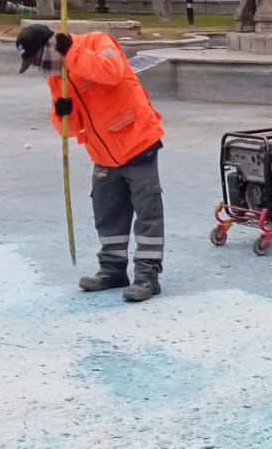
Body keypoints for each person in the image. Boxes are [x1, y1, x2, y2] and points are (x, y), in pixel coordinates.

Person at [15, 23, 166, 302]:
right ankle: (112, 270)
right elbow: (69, 131)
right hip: (102, 153)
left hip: (137, 140)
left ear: (49, 47)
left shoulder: (97, 42)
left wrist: (70, 52)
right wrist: (63, 115)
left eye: (37, 61)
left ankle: (147, 275)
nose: (40, 68)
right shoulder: (56, 78)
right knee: (107, 212)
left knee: (148, 212)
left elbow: (111, 72)